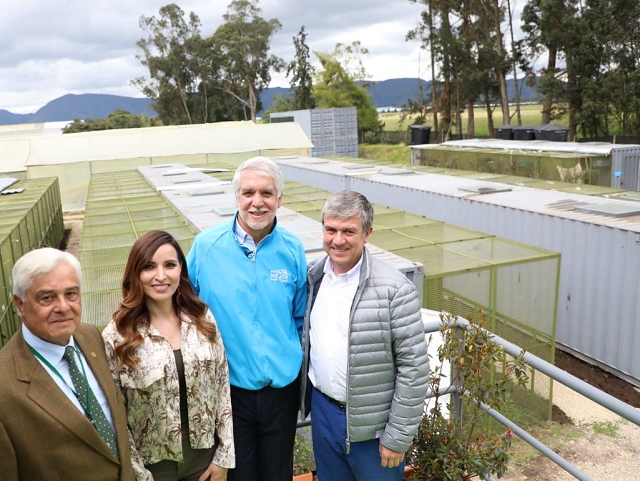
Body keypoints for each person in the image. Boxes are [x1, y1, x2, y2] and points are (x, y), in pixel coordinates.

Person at [0, 247, 142, 480]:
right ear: (20, 304)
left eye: (71, 294)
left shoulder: (91, 337)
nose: (63, 307)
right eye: (47, 297)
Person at [186, 156, 308, 481]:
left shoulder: (293, 250)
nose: (257, 202)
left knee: (278, 473)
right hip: (230, 391)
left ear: (279, 199)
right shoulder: (205, 247)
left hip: (282, 388)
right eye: (249, 192)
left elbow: (300, 318)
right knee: (238, 475)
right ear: (236, 197)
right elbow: (183, 309)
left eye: (267, 194)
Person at [301, 191, 429, 481]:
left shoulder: (395, 289)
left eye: (349, 231)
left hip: (373, 426)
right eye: (330, 229)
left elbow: (414, 369)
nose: (337, 240)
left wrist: (396, 437)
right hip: (324, 414)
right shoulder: (314, 278)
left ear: (367, 233)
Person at [103, 230, 234, 481]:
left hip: (205, 461)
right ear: (136, 273)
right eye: (149, 266)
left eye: (170, 265)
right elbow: (115, 414)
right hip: (153, 468)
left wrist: (224, 457)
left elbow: (222, 386)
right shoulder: (117, 336)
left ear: (180, 270)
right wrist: (139, 475)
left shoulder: (201, 319)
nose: (161, 276)